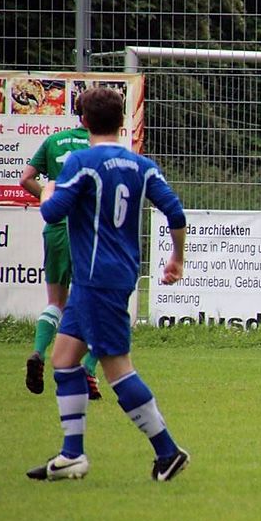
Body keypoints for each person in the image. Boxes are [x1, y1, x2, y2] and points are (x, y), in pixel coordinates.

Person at [26, 87, 189, 481]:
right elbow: (175, 212)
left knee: (117, 368)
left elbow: (53, 212)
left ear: (83, 122)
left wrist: (48, 189)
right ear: (122, 121)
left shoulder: (81, 161)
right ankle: (72, 455)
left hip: (98, 280)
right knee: (64, 359)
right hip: (108, 277)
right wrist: (177, 258)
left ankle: (168, 452)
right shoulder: (141, 165)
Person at [20, 95, 102, 400]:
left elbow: (26, 179)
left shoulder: (54, 141)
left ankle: (38, 352)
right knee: (100, 303)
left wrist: (49, 197)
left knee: (56, 301)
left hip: (55, 227)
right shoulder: (99, 147)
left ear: (78, 114)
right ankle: (88, 368)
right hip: (87, 231)